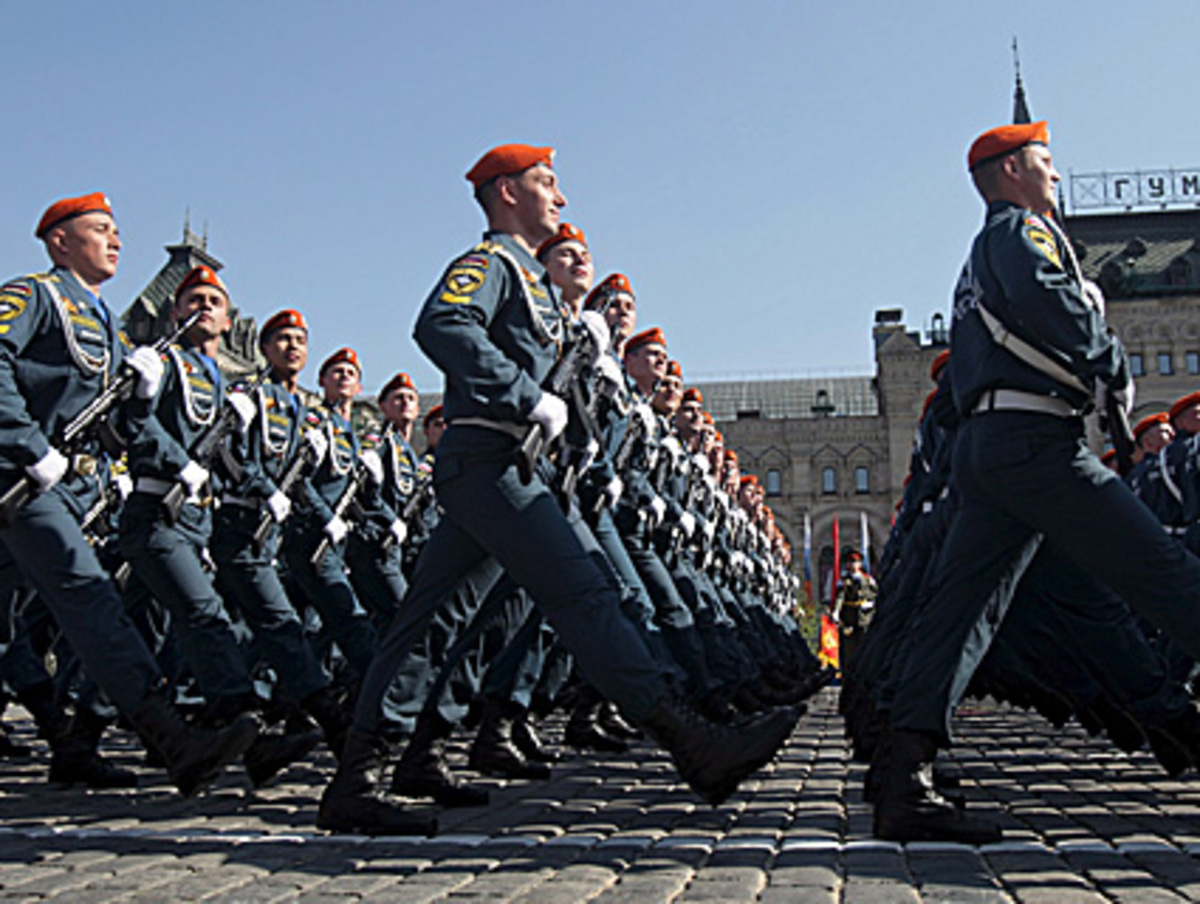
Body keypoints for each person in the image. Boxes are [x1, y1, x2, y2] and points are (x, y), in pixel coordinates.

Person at [317, 143, 798, 836]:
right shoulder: (490, 265)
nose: (561, 197)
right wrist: (521, 396)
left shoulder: (538, 290)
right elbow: (441, 325)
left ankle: (394, 762)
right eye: (547, 182)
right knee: (586, 594)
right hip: (491, 460)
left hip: (513, 466)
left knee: (439, 620)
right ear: (508, 191)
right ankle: (695, 745)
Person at [874, 121, 1200, 843]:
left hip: (991, 450)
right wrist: (1111, 355)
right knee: (1161, 570)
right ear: (1015, 170)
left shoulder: (978, 255)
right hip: (1036, 444)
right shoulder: (1022, 233)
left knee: (960, 615)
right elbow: (1051, 305)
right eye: (1046, 163)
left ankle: (906, 777)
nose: (1056, 175)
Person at [0, 193, 258, 795]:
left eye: (117, 231)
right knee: (90, 599)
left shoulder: (104, 322)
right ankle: (173, 739)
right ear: (60, 241)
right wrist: (26, 445)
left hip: (59, 486)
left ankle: (72, 744)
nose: (115, 240)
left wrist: (138, 397)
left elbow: (113, 426)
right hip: (19, 476)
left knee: (46, 615)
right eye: (99, 230)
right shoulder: (36, 296)